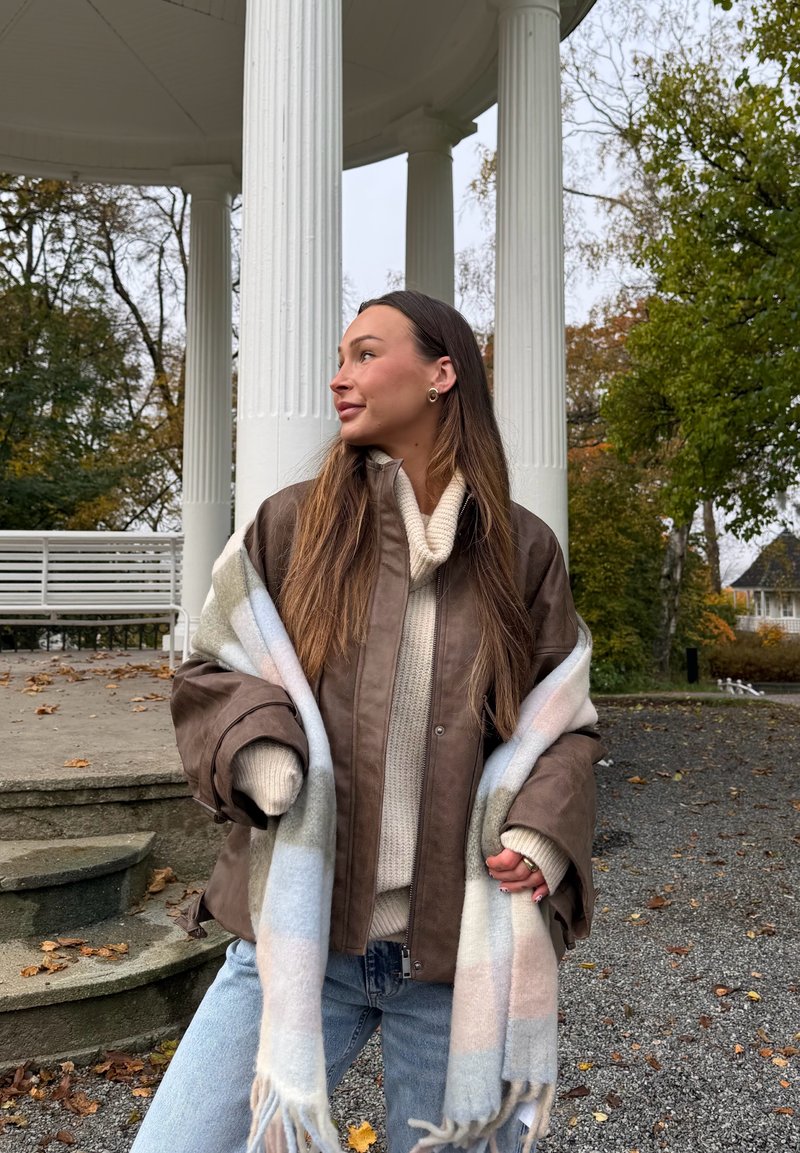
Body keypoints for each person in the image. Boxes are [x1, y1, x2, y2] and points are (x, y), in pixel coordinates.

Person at [130, 292, 600, 1153]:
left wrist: (541, 834)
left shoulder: (522, 551)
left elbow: (563, 721)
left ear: (441, 373)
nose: (339, 377)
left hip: (456, 962)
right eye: (340, 357)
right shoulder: (290, 525)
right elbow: (212, 667)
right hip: (297, 943)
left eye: (365, 354)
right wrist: (259, 749)